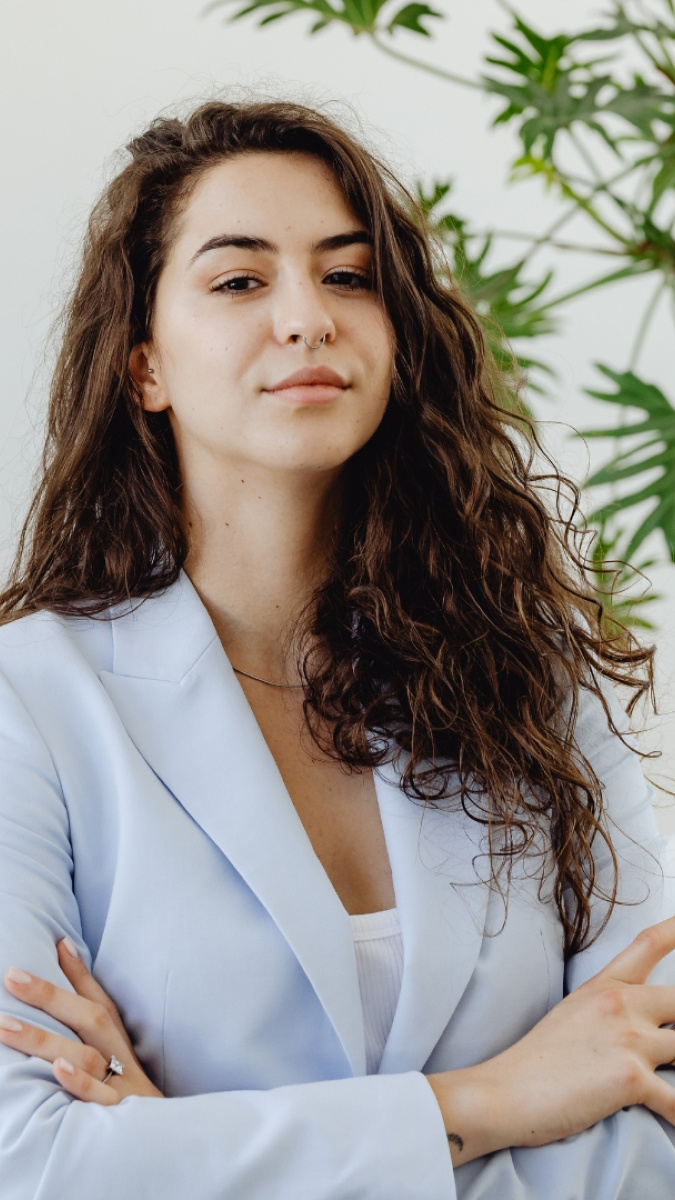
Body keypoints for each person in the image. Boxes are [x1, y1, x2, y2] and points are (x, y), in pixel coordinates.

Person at [0, 96, 674, 1200]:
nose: (307, 316)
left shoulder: (527, 669)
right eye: (239, 281)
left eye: (349, 275)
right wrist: (491, 1100)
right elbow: (30, 1159)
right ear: (143, 368)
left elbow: (650, 1100)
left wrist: (182, 1152)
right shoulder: (29, 702)